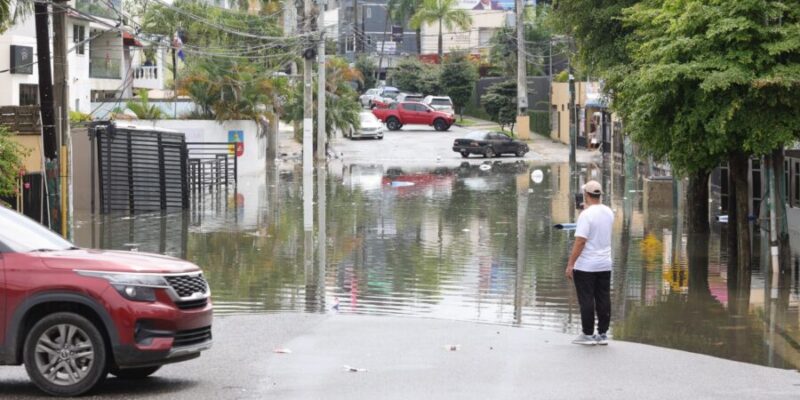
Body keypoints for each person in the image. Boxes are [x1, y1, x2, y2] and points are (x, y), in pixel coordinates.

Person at [565, 180, 614, 345]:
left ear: (586, 195)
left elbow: (580, 242)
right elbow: (598, 218)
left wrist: (571, 264)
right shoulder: (609, 212)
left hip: (586, 266)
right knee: (603, 298)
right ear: (600, 195)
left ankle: (587, 334)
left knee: (586, 299)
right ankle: (602, 333)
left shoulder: (585, 216)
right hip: (605, 264)